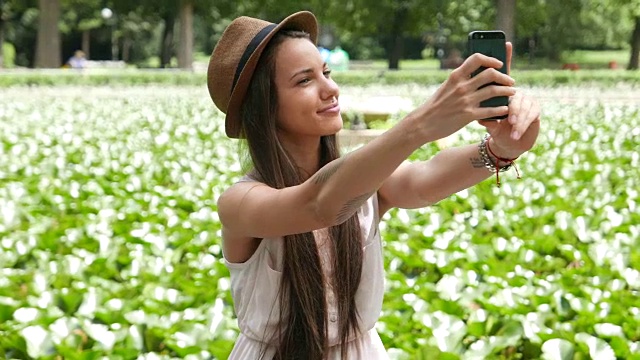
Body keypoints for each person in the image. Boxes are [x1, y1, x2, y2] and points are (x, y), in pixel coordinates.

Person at [207, 11, 540, 360]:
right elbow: (319, 204)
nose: (331, 89)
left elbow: (424, 179)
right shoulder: (238, 202)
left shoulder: (364, 180)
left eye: (327, 73)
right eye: (305, 81)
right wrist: (423, 123)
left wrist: (502, 149)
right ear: (264, 107)